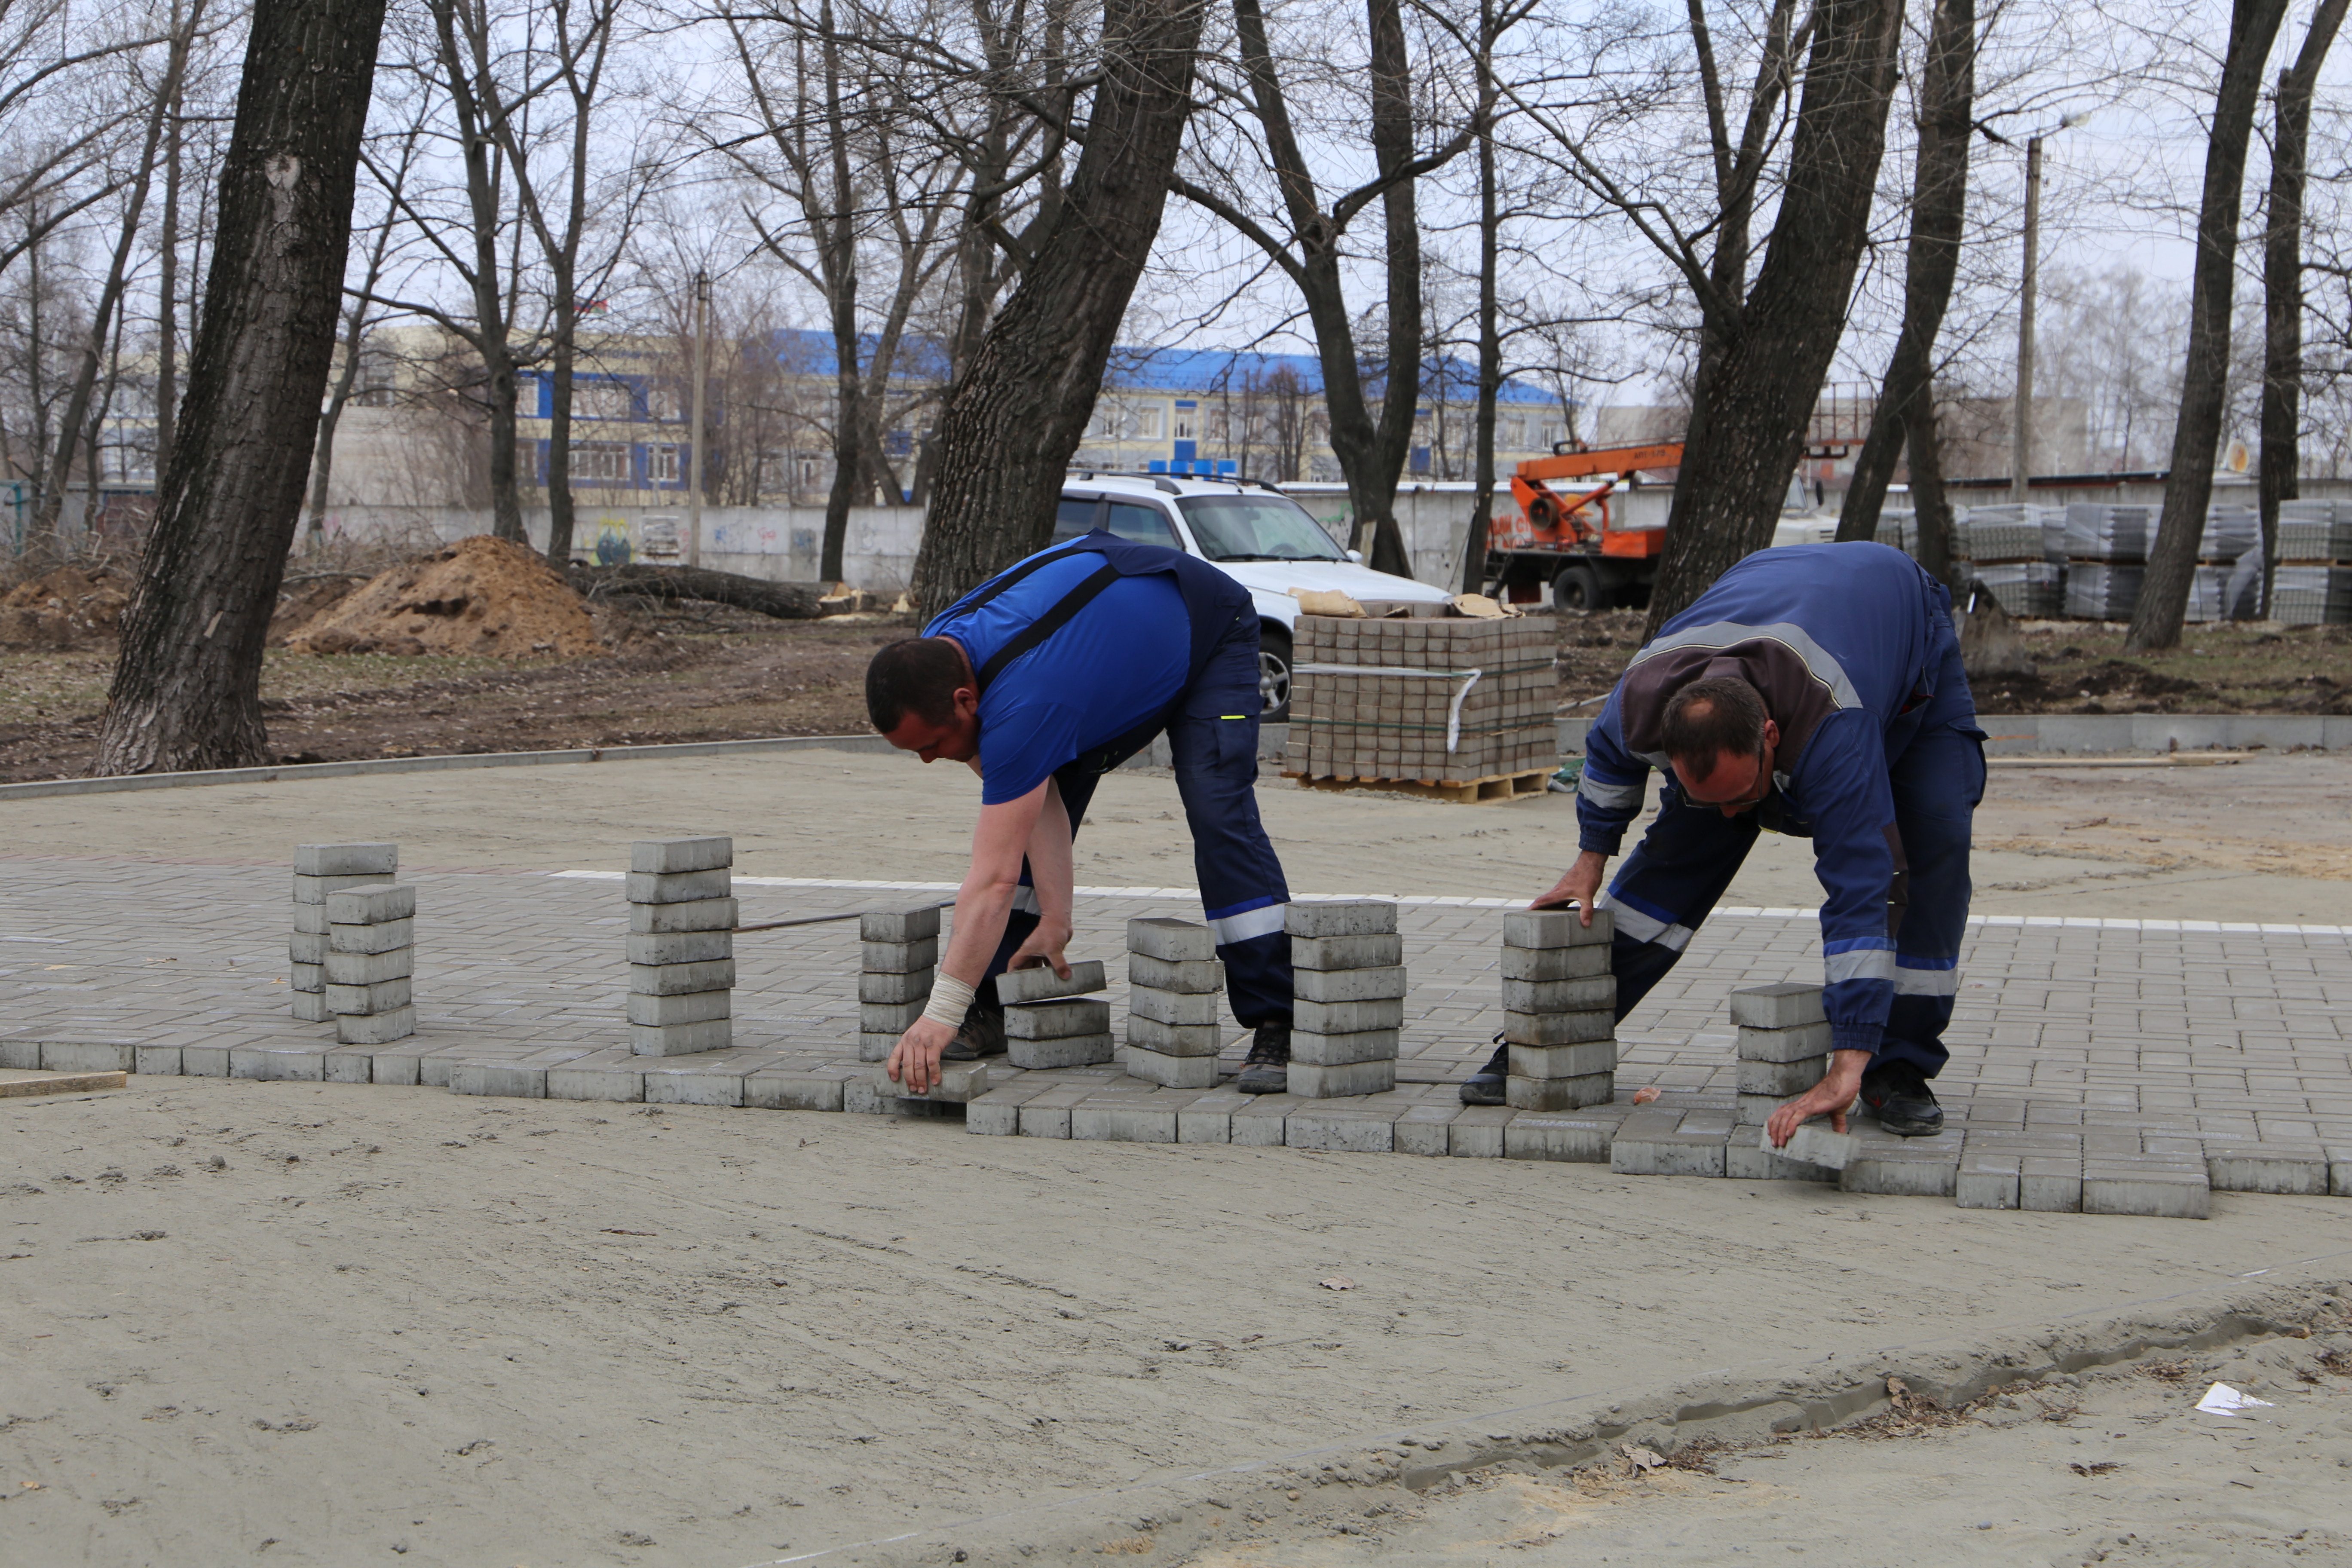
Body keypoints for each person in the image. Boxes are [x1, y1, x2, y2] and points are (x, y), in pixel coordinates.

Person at [1462, 541, 1986, 1144]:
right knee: (1677, 855)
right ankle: (1553, 1038)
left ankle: (1895, 1066)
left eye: (1744, 792)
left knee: (1932, 846)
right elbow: (1607, 759)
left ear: (1770, 735)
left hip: (1901, 627)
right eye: (1719, 798)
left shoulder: (1832, 730)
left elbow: (1862, 889)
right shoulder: (1640, 701)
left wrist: (1849, 1052)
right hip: (1777, 592)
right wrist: (1590, 859)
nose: (1737, 813)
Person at [866, 526, 1296, 1094]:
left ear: (965, 702)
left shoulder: (1025, 704)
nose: (926, 760)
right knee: (1012, 819)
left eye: (931, 745)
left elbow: (991, 881)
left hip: (1208, 628)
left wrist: (938, 1012)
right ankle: (992, 999)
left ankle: (1274, 1019)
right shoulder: (940, 650)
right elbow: (1034, 804)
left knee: (1218, 810)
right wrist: (1056, 918)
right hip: (1105, 654)